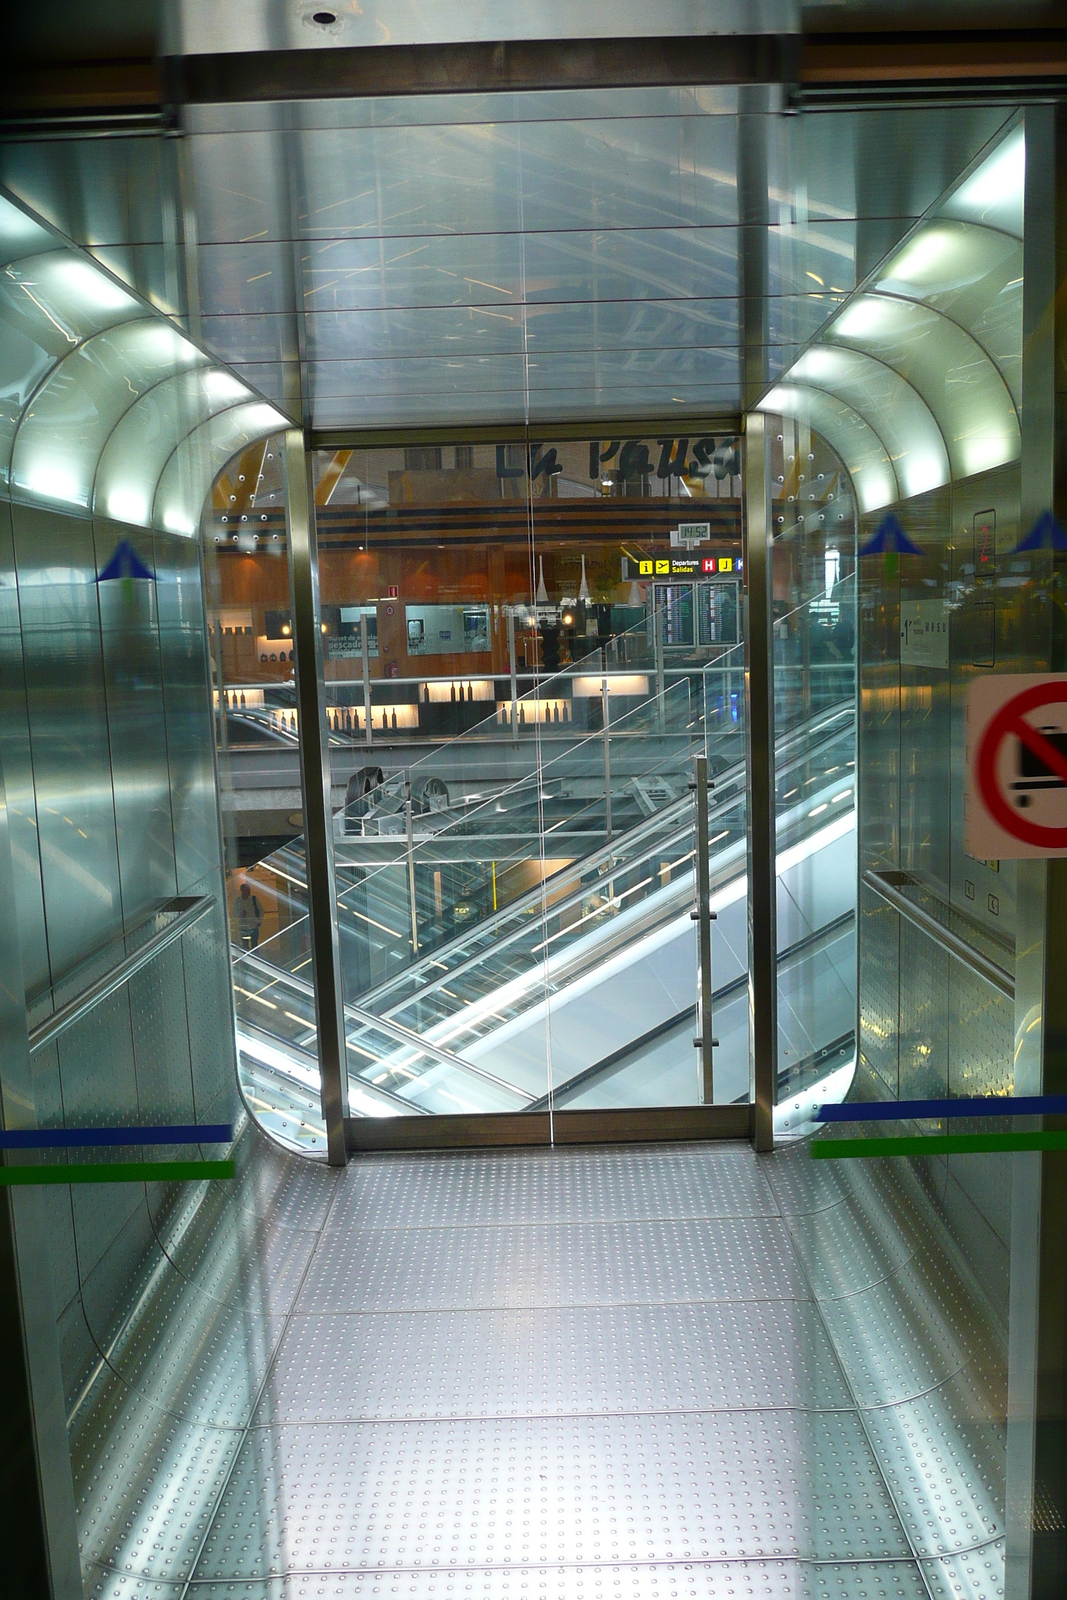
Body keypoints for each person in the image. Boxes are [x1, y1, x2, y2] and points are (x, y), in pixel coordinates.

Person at [234, 879, 263, 950]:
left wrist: (259, 921)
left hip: (253, 925)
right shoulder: (238, 901)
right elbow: (235, 913)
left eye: (247, 890)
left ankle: (255, 957)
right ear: (241, 891)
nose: (246, 892)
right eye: (244, 890)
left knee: (254, 944)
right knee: (245, 945)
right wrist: (240, 915)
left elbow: (261, 910)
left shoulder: (254, 899)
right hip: (243, 927)